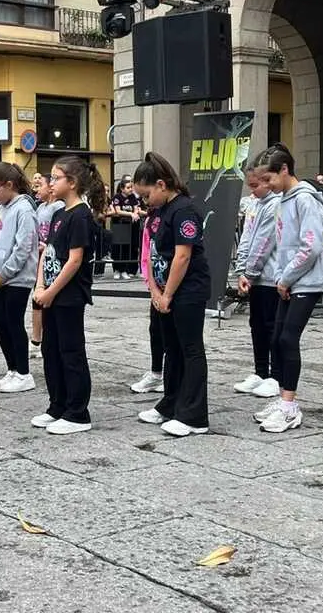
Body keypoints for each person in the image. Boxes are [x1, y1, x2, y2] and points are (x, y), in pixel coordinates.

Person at [251, 143, 323, 434]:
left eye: (269, 179)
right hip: (288, 280)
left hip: (306, 280)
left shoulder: (305, 200)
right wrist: (282, 278)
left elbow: (310, 247)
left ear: (284, 170)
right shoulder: (285, 199)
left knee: (287, 338)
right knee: (276, 338)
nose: (267, 186)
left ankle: (289, 406)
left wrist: (285, 278)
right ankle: (282, 397)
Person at [133, 152, 211, 438]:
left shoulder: (184, 210)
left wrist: (168, 294)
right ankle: (171, 402)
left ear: (162, 185)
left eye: (146, 195)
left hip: (187, 290)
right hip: (163, 290)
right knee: (172, 350)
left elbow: (182, 256)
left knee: (190, 350)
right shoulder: (158, 213)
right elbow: (151, 253)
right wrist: (154, 289)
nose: (144, 202)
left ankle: (194, 415)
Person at [32, 156, 106, 435]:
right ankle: (57, 404)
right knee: (51, 351)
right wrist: (40, 286)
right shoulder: (59, 213)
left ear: (71, 183)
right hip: (50, 294)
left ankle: (77, 412)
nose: (50, 183)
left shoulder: (80, 216)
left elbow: (74, 261)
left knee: (71, 352)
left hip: (69, 296)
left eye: (55, 177)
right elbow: (47, 252)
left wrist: (51, 291)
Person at [0, 162, 38, 394]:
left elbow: (23, 247)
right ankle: (12, 369)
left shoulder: (24, 209)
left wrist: (4, 274)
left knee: (13, 322)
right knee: (0, 323)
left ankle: (24, 372)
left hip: (17, 278)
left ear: (9, 185)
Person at [234, 161, 282, 397]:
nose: (252, 190)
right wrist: (242, 269)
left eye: (255, 185)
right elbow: (247, 237)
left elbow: (264, 242)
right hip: (255, 277)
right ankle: (260, 370)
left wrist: (249, 272)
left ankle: (275, 375)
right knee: (257, 325)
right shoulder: (255, 203)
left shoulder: (275, 205)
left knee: (271, 325)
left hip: (271, 276)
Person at [129, 208, 165, 394]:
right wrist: (150, 285)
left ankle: (170, 375)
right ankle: (156, 372)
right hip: (155, 283)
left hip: (173, 286)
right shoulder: (151, 218)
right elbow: (146, 252)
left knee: (172, 335)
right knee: (155, 330)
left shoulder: (176, 213)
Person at [29, 174, 65, 358]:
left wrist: (46, 245)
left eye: (39, 185)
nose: (36, 189)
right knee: (36, 299)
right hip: (38, 258)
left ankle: (42, 340)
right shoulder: (40, 207)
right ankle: (36, 339)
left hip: (50, 259)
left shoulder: (58, 207)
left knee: (45, 300)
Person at [111, 176, 143, 279]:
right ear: (122, 188)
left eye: (131, 187)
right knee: (118, 248)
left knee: (126, 248)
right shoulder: (117, 197)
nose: (131, 189)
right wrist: (131, 214)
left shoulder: (132, 197)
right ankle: (116, 270)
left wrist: (135, 213)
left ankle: (124, 270)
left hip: (130, 226)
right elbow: (118, 211)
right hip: (119, 225)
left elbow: (135, 208)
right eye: (128, 187)